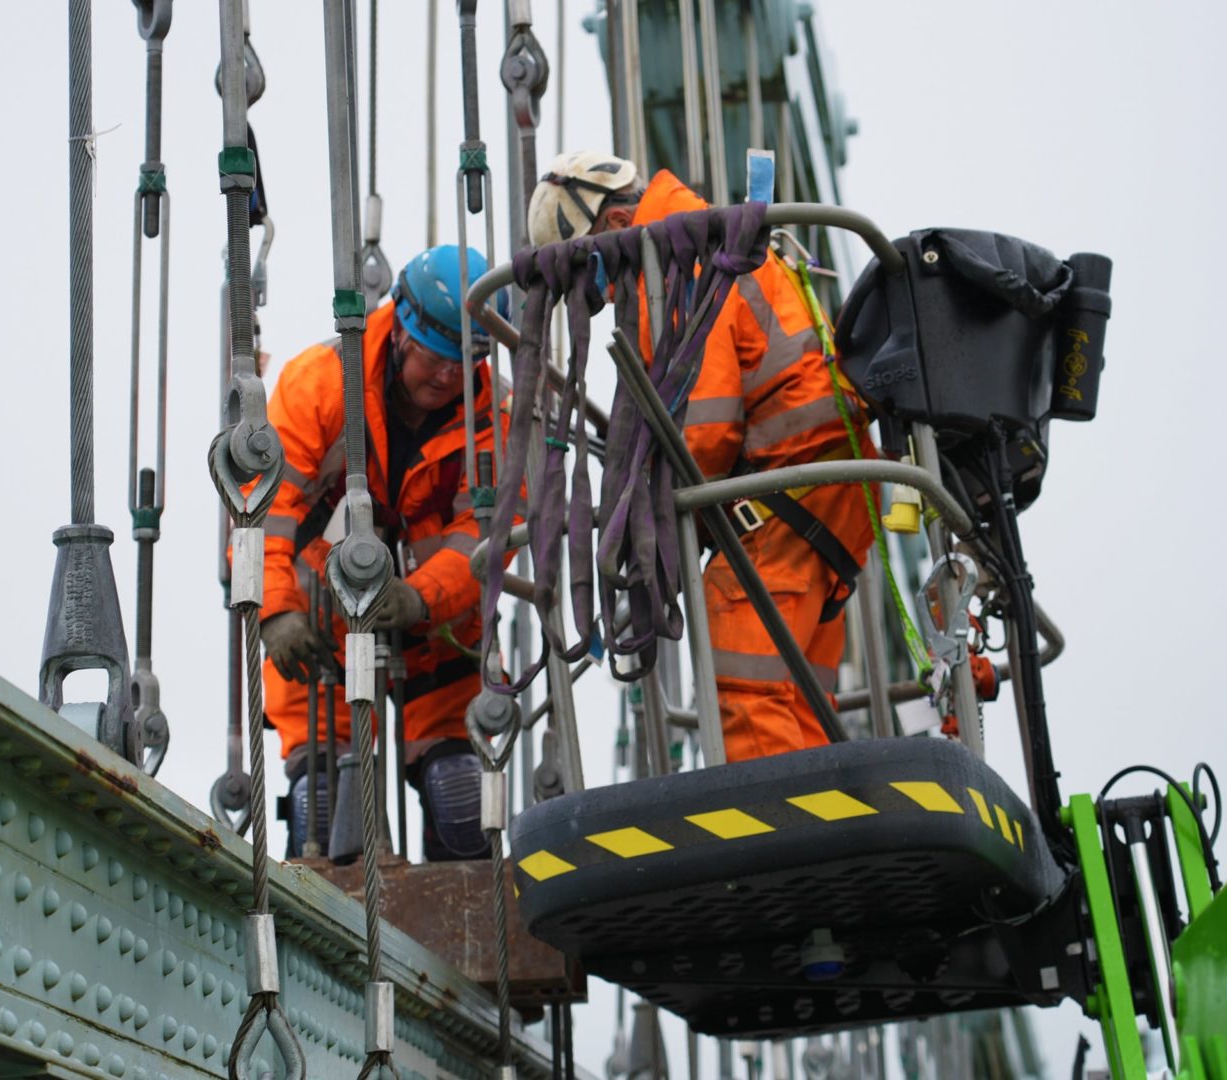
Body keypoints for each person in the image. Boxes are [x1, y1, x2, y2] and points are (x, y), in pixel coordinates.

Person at [528, 152, 879, 763]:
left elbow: (708, 428)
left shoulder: (683, 262)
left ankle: (780, 839)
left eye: (594, 270)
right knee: (795, 697)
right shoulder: (714, 238)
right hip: (826, 487)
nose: (600, 294)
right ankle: (831, 823)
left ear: (615, 223)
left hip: (792, 485)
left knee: (742, 684)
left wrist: (639, 507)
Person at [256, 244, 507, 861]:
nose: (448, 376)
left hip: (440, 625)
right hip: (320, 617)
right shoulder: (317, 387)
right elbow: (265, 506)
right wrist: (274, 610)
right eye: (436, 357)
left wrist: (421, 598)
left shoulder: (494, 416)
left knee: (460, 804)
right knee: (322, 801)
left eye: (463, 362)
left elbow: (485, 539)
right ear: (400, 333)